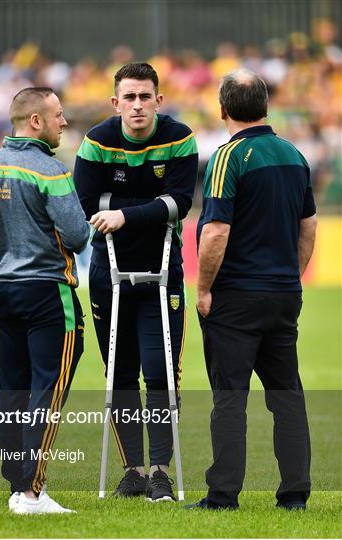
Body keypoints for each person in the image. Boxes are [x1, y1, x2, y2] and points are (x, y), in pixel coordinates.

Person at [0, 87, 90, 514]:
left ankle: (15, 486)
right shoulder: (50, 170)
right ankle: (32, 493)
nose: (64, 122)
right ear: (36, 122)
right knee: (49, 387)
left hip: (4, 293)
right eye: (58, 115)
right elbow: (80, 235)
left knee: (13, 388)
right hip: (49, 293)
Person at [189, 68, 317, 511]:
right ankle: (295, 494)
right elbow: (308, 226)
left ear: (222, 109)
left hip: (236, 296)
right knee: (287, 396)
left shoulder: (228, 157)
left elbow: (215, 232)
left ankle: (223, 495)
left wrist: (203, 289)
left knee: (229, 398)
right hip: (283, 294)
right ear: (265, 106)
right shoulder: (294, 154)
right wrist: (290, 278)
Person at [74, 62, 198, 501]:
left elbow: (180, 203)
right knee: (119, 372)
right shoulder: (96, 143)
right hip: (109, 273)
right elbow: (87, 205)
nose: (138, 105)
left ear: (158, 100)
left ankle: (162, 471)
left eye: (146, 96)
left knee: (161, 370)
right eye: (129, 97)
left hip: (164, 273)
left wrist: (125, 213)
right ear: (116, 103)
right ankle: (132, 470)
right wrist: (150, 207)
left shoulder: (180, 138)